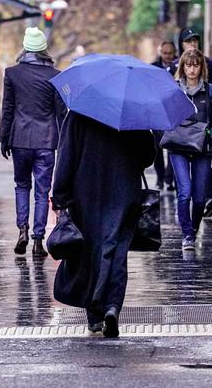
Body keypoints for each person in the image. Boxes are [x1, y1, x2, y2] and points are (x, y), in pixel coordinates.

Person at [52, 112, 156, 338]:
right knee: (116, 250)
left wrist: (59, 196)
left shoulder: (79, 113)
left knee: (91, 250)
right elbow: (147, 156)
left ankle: (95, 315)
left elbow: (66, 154)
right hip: (124, 190)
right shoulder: (132, 112)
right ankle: (112, 306)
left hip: (86, 192)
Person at [0, 27, 66, 258]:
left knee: (21, 185)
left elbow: (8, 110)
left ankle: (22, 230)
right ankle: (39, 239)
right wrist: (65, 141)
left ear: (25, 47)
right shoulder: (55, 76)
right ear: (43, 49)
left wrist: (4, 138)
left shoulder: (12, 73)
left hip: (19, 139)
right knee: (42, 190)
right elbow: (61, 113)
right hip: (47, 141)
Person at [167, 48, 212, 251]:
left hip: (202, 149)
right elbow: (163, 116)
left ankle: (193, 227)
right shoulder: (173, 90)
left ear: (202, 67)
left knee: (200, 198)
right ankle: (187, 235)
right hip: (178, 147)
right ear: (182, 67)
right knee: (184, 192)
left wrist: (210, 135)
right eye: (188, 65)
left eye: (196, 65)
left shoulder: (211, 91)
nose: (192, 70)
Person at [176, 28, 212, 218]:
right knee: (184, 191)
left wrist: (210, 133)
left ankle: (205, 198)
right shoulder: (175, 69)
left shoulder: (210, 65)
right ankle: (187, 231)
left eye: (195, 41)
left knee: (202, 176)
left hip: (202, 132)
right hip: (180, 136)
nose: (192, 44)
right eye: (188, 41)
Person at [151, 41, 178, 191]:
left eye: (170, 53)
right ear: (160, 52)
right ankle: (160, 178)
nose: (168, 56)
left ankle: (169, 179)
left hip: (173, 112)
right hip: (157, 113)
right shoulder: (153, 67)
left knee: (173, 146)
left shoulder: (179, 67)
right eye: (165, 53)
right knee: (158, 148)